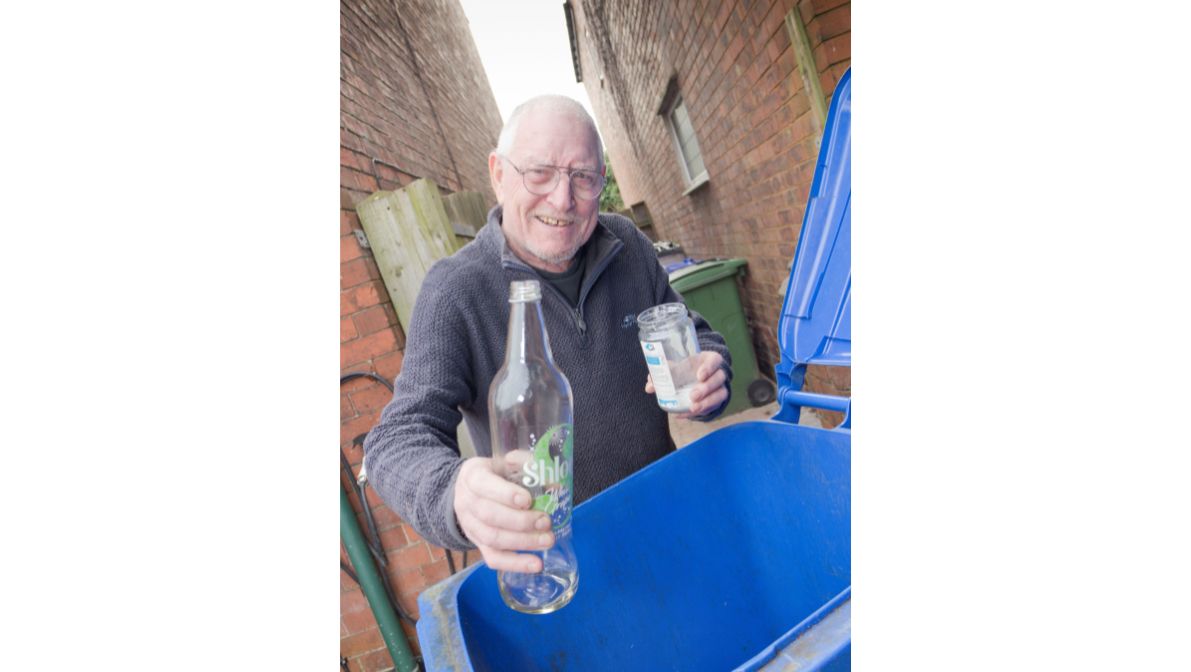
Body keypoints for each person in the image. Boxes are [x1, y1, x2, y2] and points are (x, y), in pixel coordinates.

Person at [363, 95, 732, 574]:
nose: (563, 199)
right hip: (555, 561)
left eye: (584, 177)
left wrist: (708, 370)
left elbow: (695, 334)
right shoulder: (457, 289)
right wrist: (453, 492)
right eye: (540, 173)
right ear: (499, 174)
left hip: (666, 519)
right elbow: (395, 437)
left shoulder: (627, 246)